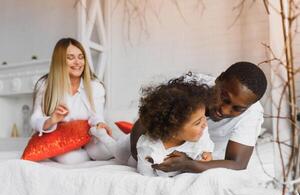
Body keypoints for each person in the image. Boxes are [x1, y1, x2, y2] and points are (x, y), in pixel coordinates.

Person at [130, 61, 267, 173]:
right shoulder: (193, 85)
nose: (224, 110)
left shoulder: (253, 113)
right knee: (118, 148)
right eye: (224, 98)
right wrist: (141, 158)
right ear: (219, 79)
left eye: (237, 109)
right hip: (163, 142)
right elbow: (146, 120)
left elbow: (238, 164)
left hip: (207, 158)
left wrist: (189, 164)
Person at [31, 38, 113, 164]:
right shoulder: (45, 85)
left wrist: (100, 123)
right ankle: (89, 155)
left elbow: (96, 116)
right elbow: (35, 119)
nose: (78, 62)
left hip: (87, 136)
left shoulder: (95, 87)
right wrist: (51, 120)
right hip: (60, 138)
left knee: (107, 150)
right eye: (71, 57)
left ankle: (91, 152)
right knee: (70, 159)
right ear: (60, 61)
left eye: (81, 57)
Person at [136, 77, 214, 177]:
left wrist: (207, 154)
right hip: (135, 151)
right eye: (197, 122)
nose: (205, 124)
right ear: (173, 130)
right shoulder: (149, 149)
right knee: (119, 151)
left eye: (204, 117)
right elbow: (146, 177)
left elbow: (205, 147)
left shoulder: (201, 133)